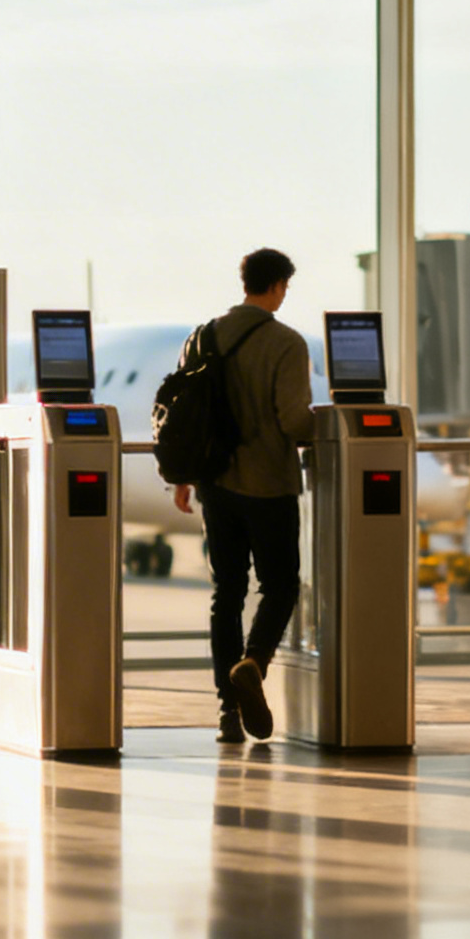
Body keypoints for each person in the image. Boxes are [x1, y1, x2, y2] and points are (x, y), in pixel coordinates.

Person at [171, 248, 317, 744]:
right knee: (280, 585)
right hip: (269, 484)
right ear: (278, 285)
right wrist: (332, 424)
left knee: (226, 594)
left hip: (215, 485)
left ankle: (228, 715)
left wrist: (184, 476)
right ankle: (254, 662)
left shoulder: (201, 337)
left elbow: (183, 414)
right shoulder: (286, 343)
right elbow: (294, 420)